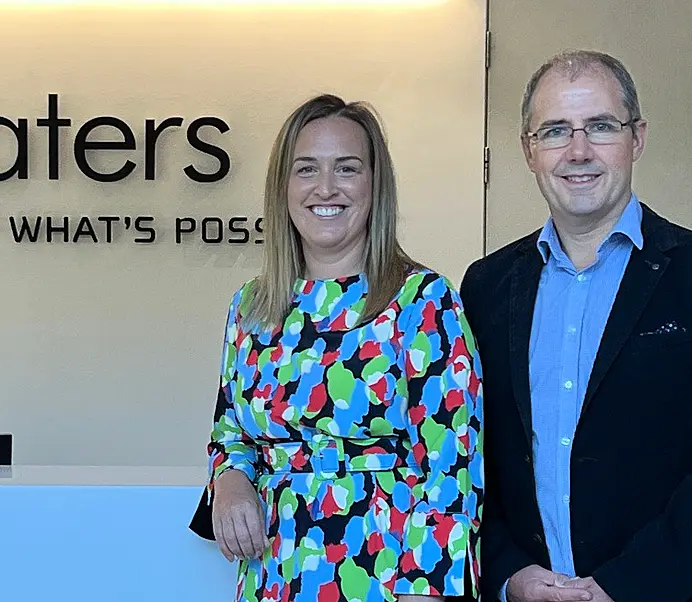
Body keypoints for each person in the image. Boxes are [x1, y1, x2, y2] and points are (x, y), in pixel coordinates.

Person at [460, 49, 692, 602]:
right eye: (555, 130)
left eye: (601, 127)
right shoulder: (485, 287)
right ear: (529, 151)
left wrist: (624, 587)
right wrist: (510, 572)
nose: (578, 151)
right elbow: (467, 453)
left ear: (638, 138)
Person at [198, 94, 484, 602]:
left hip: (389, 576)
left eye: (347, 168)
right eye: (306, 169)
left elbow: (453, 468)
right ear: (282, 188)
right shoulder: (252, 307)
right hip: (274, 574)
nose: (325, 188)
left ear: (376, 187)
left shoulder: (422, 301)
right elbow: (230, 434)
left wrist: (428, 590)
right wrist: (232, 482)